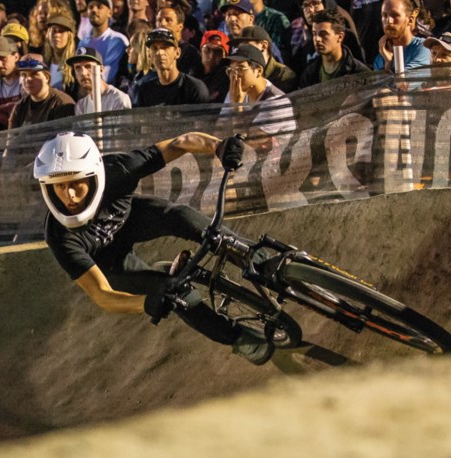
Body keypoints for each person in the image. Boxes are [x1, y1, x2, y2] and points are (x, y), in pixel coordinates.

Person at [35, 131, 274, 364]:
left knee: (181, 216)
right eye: (60, 186)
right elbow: (102, 295)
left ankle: (259, 261)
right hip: (109, 260)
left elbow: (180, 143)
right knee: (172, 295)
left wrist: (218, 146)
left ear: (94, 176)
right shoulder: (59, 236)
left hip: (132, 219)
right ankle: (237, 337)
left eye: (77, 183)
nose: (70, 195)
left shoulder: (119, 169)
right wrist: (146, 303)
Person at [136, 28, 208, 107]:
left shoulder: (194, 88)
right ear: (149, 55)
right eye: (154, 48)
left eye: (165, 47)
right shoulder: (145, 90)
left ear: (177, 53)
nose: (159, 52)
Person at [297, 9, 369, 87]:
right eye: (314, 34)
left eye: (323, 34)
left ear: (340, 37)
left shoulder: (359, 73)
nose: (317, 39)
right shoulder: (308, 76)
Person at [8, 53, 76, 127]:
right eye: (24, 75)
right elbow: (12, 137)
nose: (28, 79)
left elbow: (65, 137)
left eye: (34, 74)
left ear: (47, 77)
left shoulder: (62, 104)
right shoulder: (20, 107)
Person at [230, 25, 297, 91]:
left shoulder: (283, 75)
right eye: (240, 47)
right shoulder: (238, 73)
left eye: (247, 46)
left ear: (264, 46)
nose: (242, 50)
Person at [80, 0, 131, 84]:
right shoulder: (82, 42)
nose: (94, 10)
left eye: (99, 7)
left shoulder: (118, 41)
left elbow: (109, 76)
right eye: (90, 7)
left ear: (110, 13)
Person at [69, 46, 133, 113]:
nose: (83, 73)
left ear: (101, 70)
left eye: (88, 66)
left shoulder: (118, 99)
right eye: (78, 68)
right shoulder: (81, 106)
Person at [372, 0, 432, 71]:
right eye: (385, 15)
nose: (389, 21)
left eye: (395, 15)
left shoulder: (424, 48)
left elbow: (406, 80)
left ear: (410, 18)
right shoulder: (381, 58)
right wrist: (387, 62)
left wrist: (389, 64)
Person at [156, 4, 205, 78]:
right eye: (159, 20)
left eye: (168, 20)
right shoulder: (151, 49)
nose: (162, 24)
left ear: (180, 26)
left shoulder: (191, 53)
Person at [199, 30, 231, 101]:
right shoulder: (192, 73)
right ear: (200, 52)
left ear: (225, 55)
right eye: (207, 50)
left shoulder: (226, 76)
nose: (211, 56)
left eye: (218, 52)